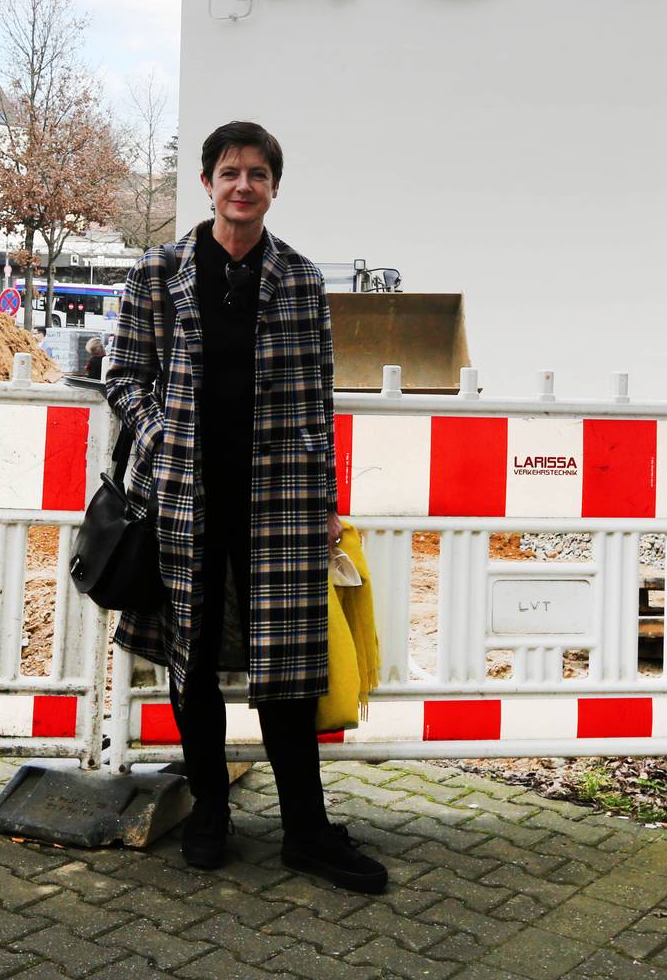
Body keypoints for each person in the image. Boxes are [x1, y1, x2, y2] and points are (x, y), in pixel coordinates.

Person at [103, 120, 386, 893]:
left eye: (258, 174)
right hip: (185, 498)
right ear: (206, 184)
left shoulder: (297, 279)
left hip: (281, 500)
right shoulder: (158, 273)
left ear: (272, 189)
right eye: (229, 172)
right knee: (190, 661)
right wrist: (165, 437)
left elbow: (315, 401)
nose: (242, 186)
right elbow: (123, 376)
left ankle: (306, 830)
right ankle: (209, 813)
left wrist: (327, 500)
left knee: (288, 666)